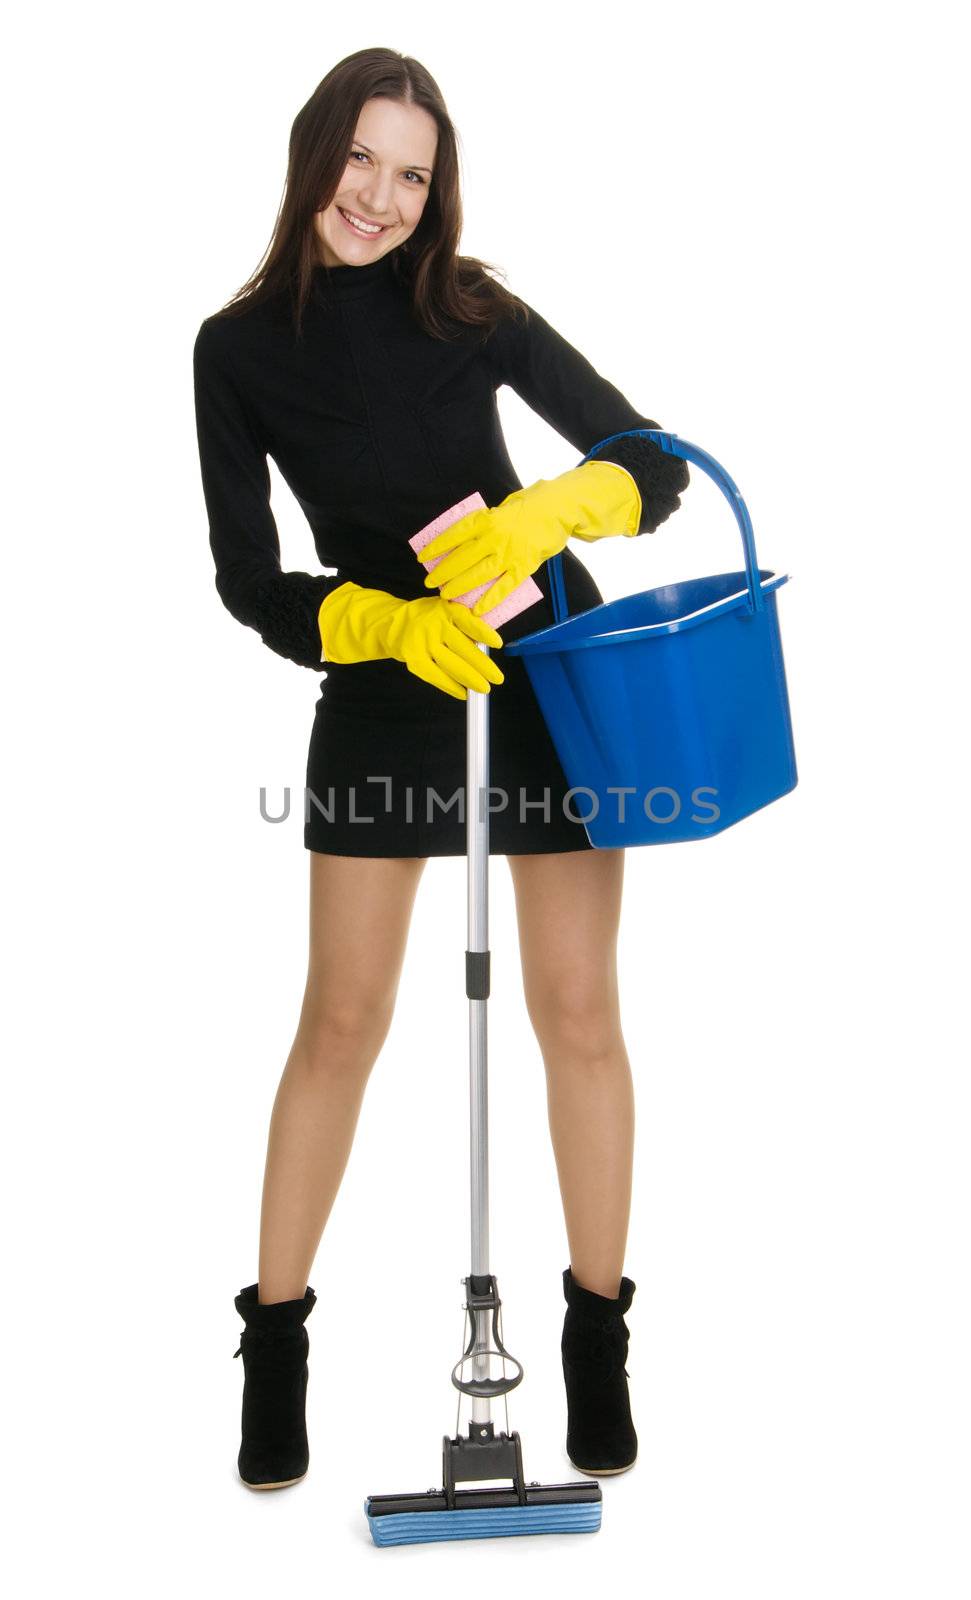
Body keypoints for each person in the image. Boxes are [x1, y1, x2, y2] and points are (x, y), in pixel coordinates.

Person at [192, 47, 690, 1493]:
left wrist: (562, 511)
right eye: (362, 161)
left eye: (413, 174)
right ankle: (273, 1346)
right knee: (340, 1018)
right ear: (314, 155)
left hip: (543, 672)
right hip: (388, 680)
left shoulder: (470, 307)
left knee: (579, 1007)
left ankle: (595, 1340)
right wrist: (378, 621)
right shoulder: (234, 351)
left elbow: (647, 456)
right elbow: (245, 577)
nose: (383, 197)